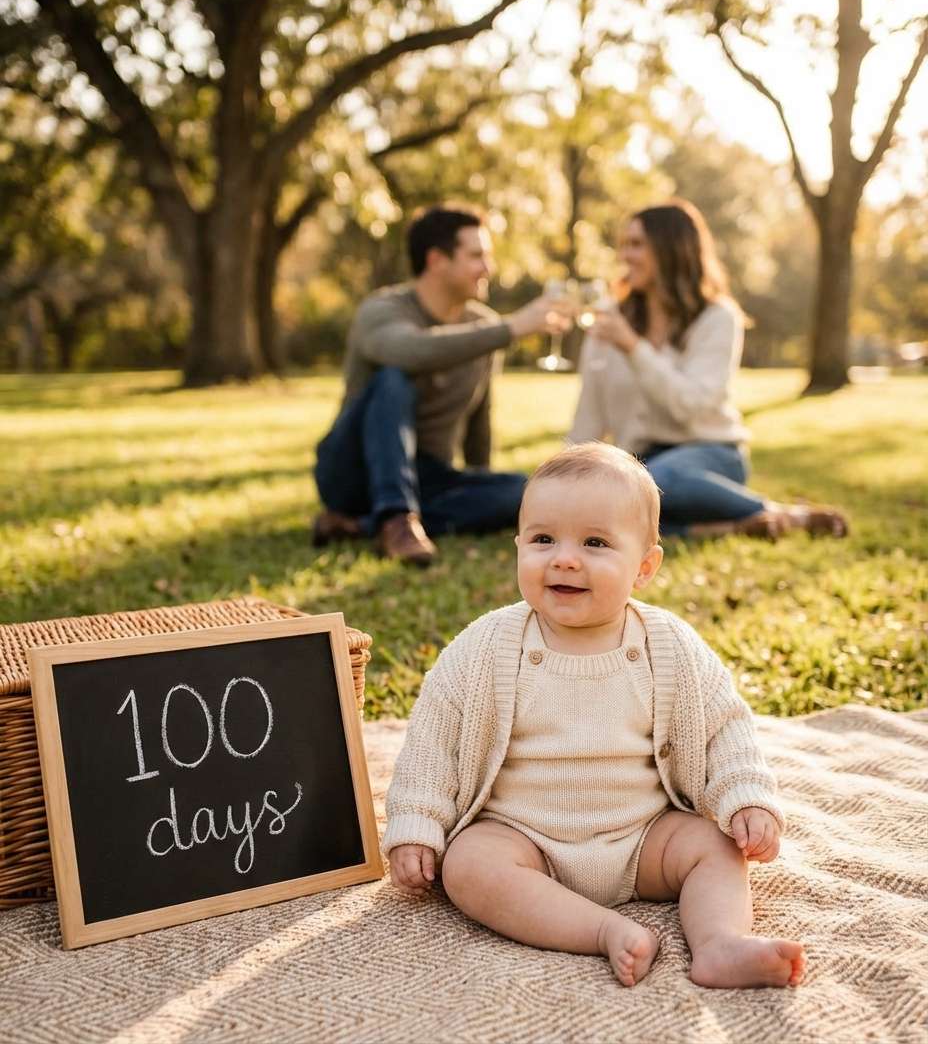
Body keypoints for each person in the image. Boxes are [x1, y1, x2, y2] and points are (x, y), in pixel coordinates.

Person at [384, 443, 805, 989]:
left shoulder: (670, 646)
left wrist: (746, 796)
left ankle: (720, 942)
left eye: (595, 543)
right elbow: (434, 738)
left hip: (644, 836)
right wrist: (417, 825)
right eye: (542, 540)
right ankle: (601, 930)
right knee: (468, 865)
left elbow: (725, 728)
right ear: (518, 546)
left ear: (645, 567)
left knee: (716, 847)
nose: (563, 558)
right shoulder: (486, 646)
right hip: (524, 838)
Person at [570, 199, 848, 540]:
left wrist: (633, 347)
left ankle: (784, 514)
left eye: (637, 244)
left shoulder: (718, 318)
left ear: (671, 250)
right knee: (608, 508)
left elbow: (690, 405)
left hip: (710, 454)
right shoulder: (611, 316)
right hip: (639, 459)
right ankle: (728, 527)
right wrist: (572, 471)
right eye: (624, 244)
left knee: (651, 485)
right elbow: (591, 407)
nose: (625, 256)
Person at [313, 205, 566, 565]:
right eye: (476, 256)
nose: (488, 269)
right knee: (393, 377)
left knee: (523, 493)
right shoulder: (382, 310)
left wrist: (480, 482)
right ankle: (395, 517)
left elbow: (480, 417)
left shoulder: (483, 326)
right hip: (352, 470)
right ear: (436, 260)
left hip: (428, 475)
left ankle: (364, 524)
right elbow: (411, 350)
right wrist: (511, 328)